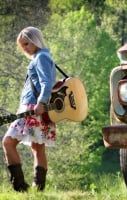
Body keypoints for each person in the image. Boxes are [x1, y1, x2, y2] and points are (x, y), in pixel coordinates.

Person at [2, 26, 56, 192]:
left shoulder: (40, 57)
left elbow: (47, 82)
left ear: (35, 40)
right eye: (22, 46)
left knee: (8, 142)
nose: (24, 48)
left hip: (34, 107)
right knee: (38, 147)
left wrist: (40, 102)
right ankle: (38, 190)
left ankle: (20, 187)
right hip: (40, 108)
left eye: (27, 43)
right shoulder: (43, 56)